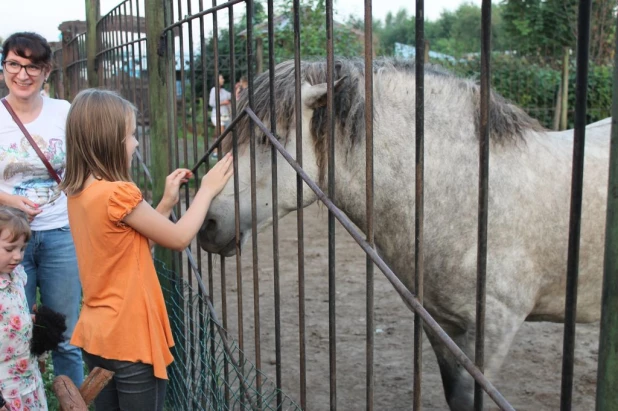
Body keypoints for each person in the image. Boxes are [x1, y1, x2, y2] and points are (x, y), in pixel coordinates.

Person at [60, 88, 234, 410]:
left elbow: (131, 245)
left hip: (99, 335)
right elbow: (180, 238)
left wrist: (166, 202)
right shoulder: (118, 193)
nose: (136, 143)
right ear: (108, 140)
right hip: (130, 338)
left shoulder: (79, 193)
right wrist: (206, 191)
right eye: (130, 135)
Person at [0, 32, 83, 387]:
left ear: (46, 71)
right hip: (8, 238)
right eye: (14, 64)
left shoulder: (64, 111)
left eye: (33, 66)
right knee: (11, 336)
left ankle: (73, 402)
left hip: (61, 234)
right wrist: (9, 201)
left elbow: (85, 164)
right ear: (3, 67)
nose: (23, 74)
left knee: (66, 337)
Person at [0, 206, 48, 411]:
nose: (18, 256)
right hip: (6, 391)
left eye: (22, 248)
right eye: (10, 249)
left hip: (28, 382)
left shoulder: (17, 276)